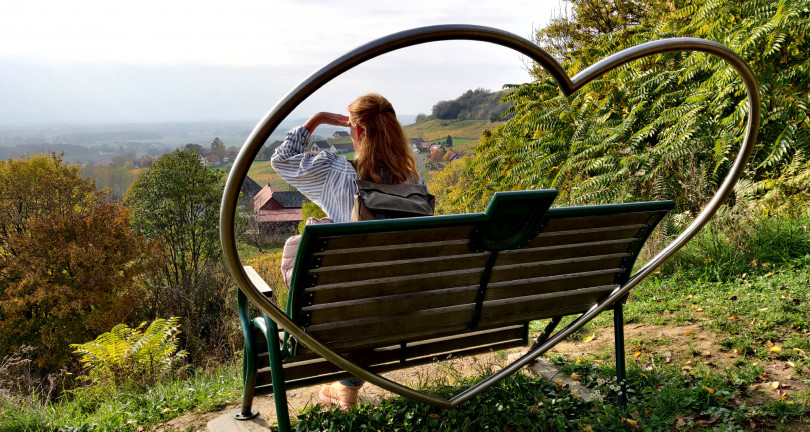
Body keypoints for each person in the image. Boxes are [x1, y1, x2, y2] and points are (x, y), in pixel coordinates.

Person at [271, 93, 426, 409]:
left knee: (307, 252)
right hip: (402, 308)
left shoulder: (335, 171)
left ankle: (346, 389)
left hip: (342, 311)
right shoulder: (413, 180)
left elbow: (281, 159)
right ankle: (346, 389)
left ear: (356, 132)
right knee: (371, 278)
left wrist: (316, 119)